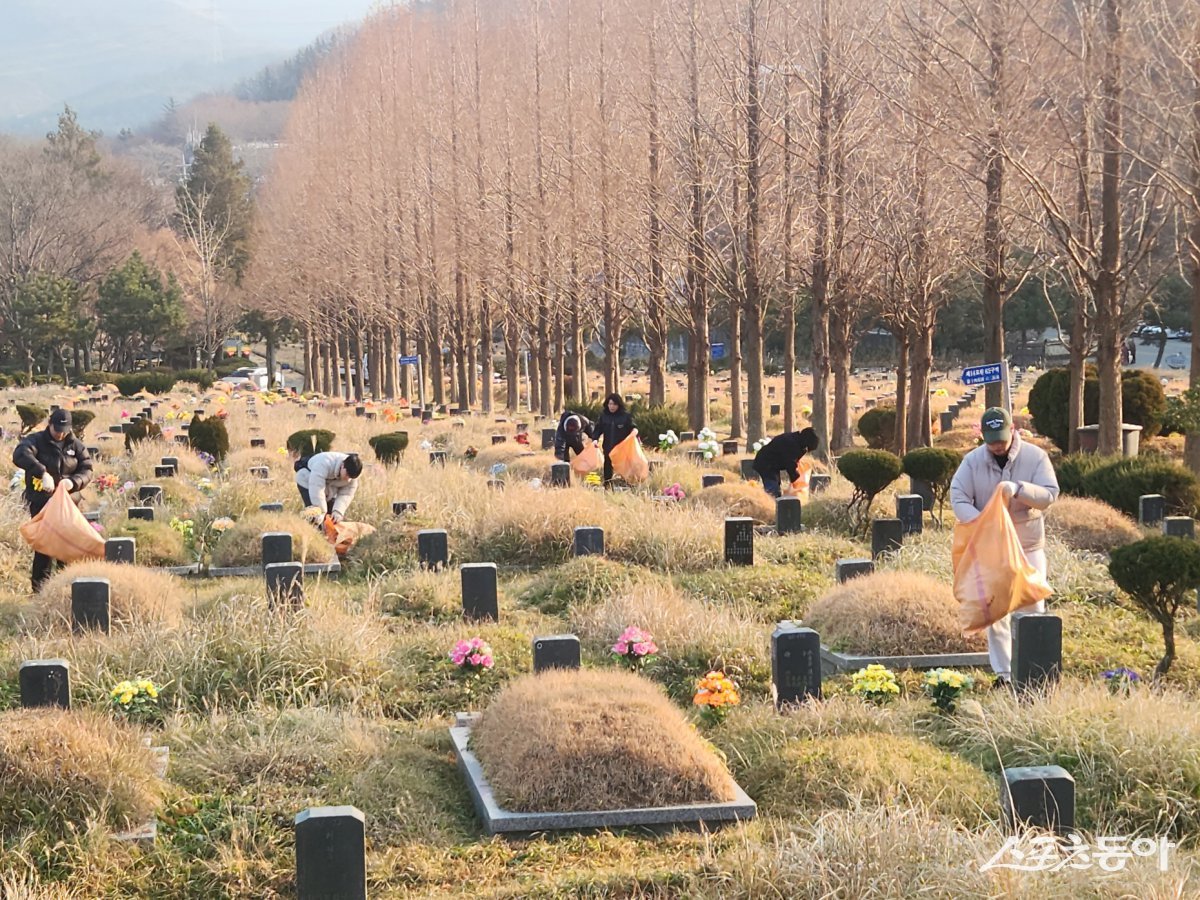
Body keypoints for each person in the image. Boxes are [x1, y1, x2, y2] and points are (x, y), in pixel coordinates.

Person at [950, 407, 1059, 688]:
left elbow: (1049, 494)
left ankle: (1036, 670)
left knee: (1033, 604)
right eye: (991, 440)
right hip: (991, 548)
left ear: (1013, 430)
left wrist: (1019, 489)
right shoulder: (972, 462)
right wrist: (982, 522)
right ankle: (1004, 674)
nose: (997, 445)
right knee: (995, 610)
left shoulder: (1035, 457)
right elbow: (958, 495)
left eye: (1001, 437)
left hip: (1027, 544)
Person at [13, 409, 94, 592]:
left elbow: (87, 469)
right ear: (49, 424)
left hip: (69, 503)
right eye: (57, 429)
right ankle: (40, 592)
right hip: (42, 502)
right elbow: (20, 454)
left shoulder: (77, 446)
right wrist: (42, 472)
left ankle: (65, 590)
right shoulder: (36, 440)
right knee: (45, 547)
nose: (60, 433)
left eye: (64, 429)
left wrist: (72, 482)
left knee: (67, 546)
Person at [295, 451, 363, 522]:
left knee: (331, 520)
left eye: (351, 477)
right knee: (315, 517)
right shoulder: (324, 463)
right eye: (347, 475)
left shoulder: (352, 474)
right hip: (307, 481)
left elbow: (346, 494)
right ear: (342, 465)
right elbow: (317, 488)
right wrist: (321, 511)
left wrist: (338, 511)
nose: (348, 479)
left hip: (329, 488)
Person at [752, 427, 820, 498]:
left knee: (776, 485)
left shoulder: (796, 440)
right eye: (807, 447)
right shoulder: (791, 443)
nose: (806, 449)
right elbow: (790, 464)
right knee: (772, 488)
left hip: (772, 464)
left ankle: (775, 503)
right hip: (765, 463)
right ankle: (770, 505)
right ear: (807, 441)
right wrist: (796, 478)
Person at [593, 393, 635, 486]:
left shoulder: (625, 416)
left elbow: (633, 427)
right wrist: (595, 439)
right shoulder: (604, 416)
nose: (611, 406)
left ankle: (627, 484)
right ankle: (607, 485)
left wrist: (634, 432)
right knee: (607, 466)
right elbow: (598, 429)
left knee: (624, 467)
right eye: (610, 404)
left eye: (614, 404)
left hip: (622, 448)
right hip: (608, 446)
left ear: (618, 405)